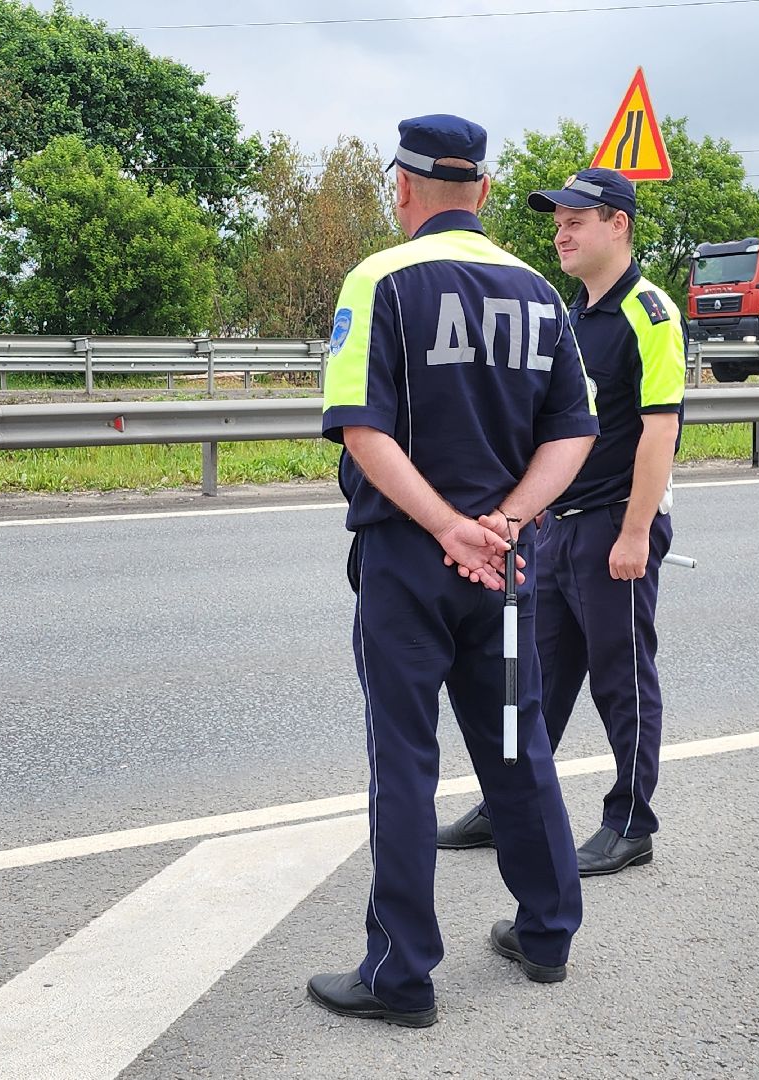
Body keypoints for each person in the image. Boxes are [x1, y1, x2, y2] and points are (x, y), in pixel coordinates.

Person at [306, 115, 599, 1028]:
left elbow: (364, 427)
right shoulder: (537, 290)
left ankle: (400, 978)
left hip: (409, 561)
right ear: (479, 189)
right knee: (517, 745)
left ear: (403, 188)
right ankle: (547, 933)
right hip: (507, 565)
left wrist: (443, 526)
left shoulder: (379, 280)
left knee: (405, 759)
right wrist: (502, 523)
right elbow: (573, 432)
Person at [437, 167, 685, 878]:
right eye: (557, 220)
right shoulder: (568, 316)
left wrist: (636, 533)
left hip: (615, 527)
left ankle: (630, 822)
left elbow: (657, 432)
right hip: (559, 529)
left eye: (578, 218)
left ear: (619, 225)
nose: (562, 231)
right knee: (527, 678)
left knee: (623, 680)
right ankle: (505, 801)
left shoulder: (650, 312)